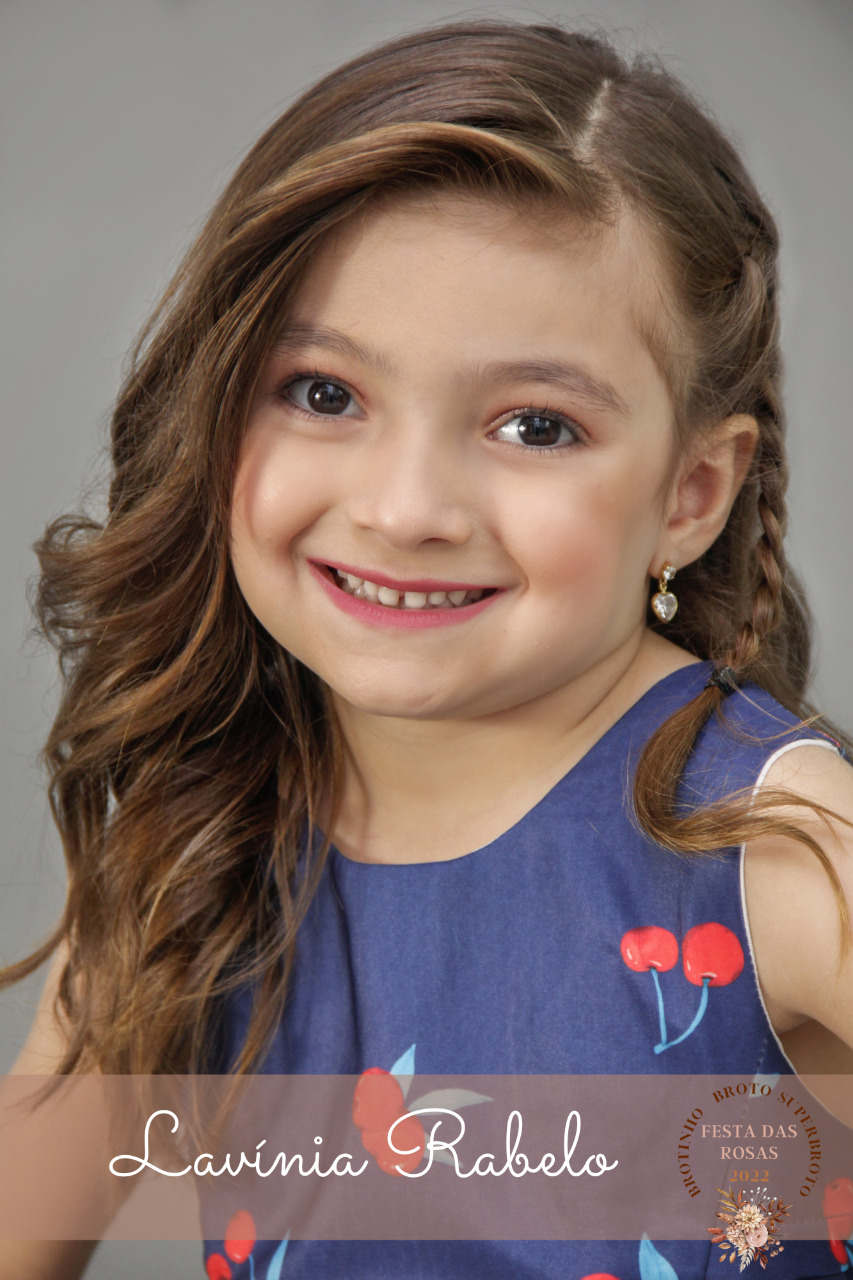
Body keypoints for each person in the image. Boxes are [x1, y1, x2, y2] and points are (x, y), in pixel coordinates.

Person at [2, 18, 852, 1280]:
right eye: (324, 393)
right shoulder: (198, 833)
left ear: (690, 493)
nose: (405, 509)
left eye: (535, 425)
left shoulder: (779, 844)